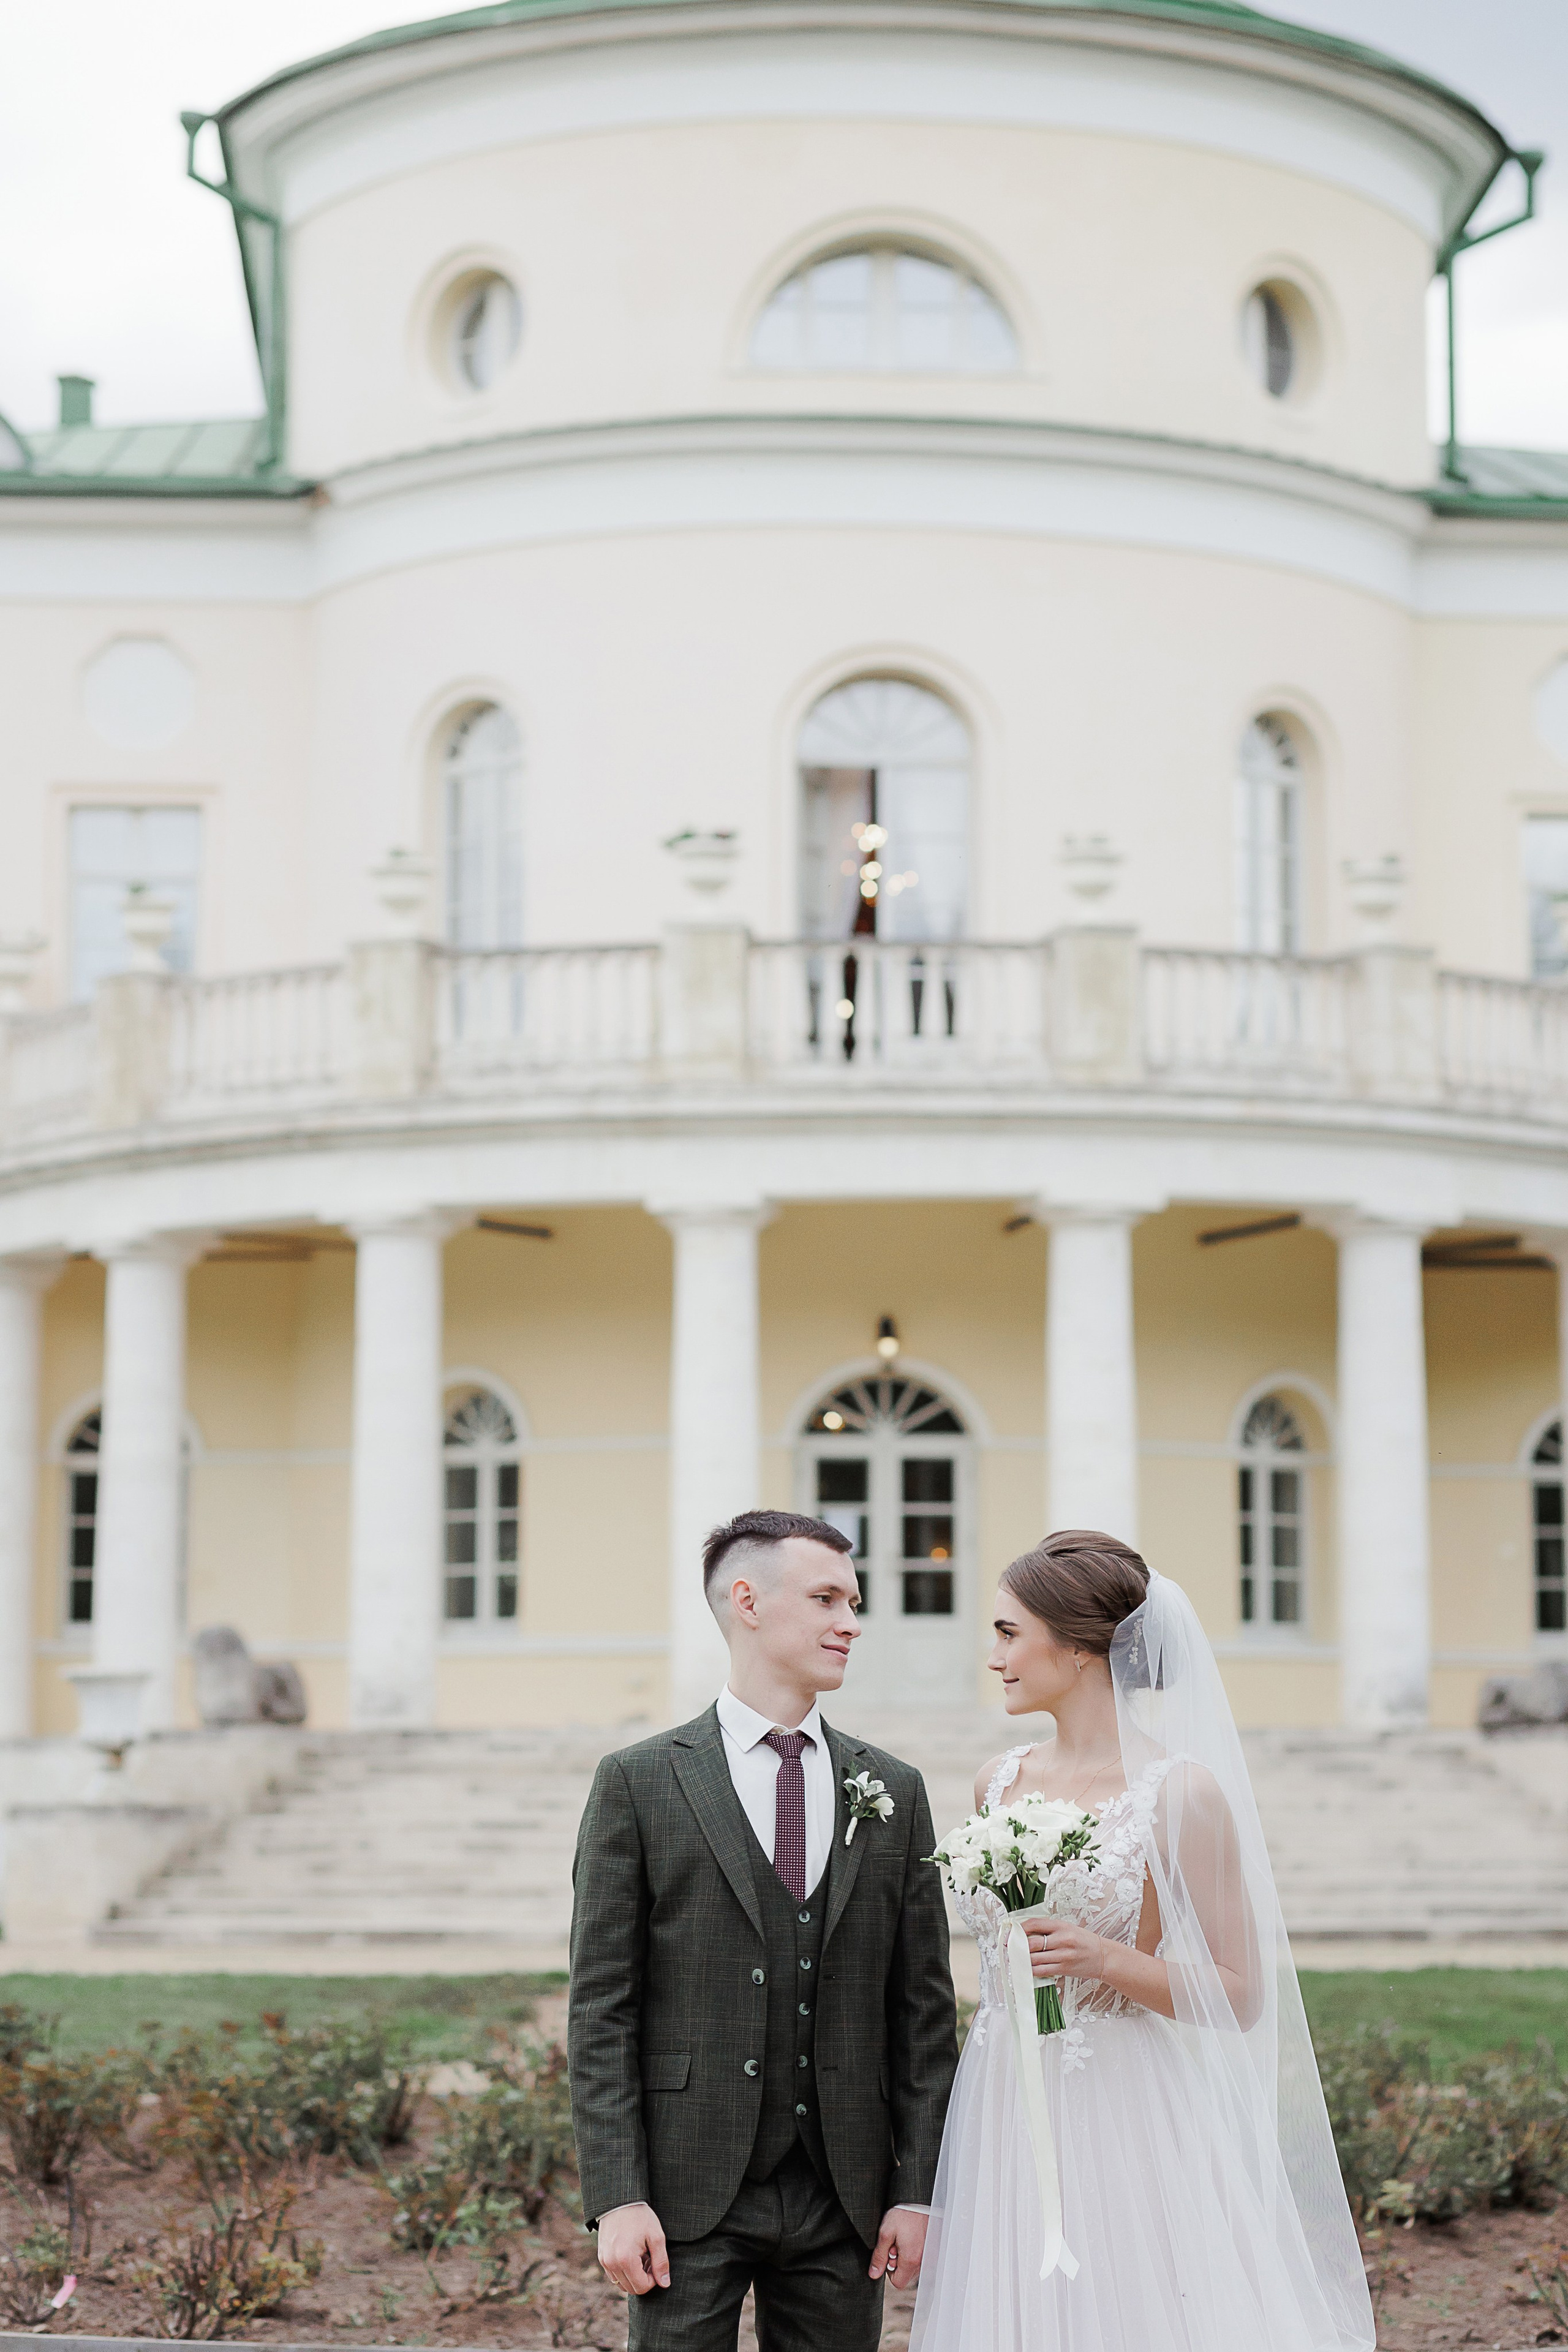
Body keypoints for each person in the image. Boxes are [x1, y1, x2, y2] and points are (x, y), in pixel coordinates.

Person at [911, 1529, 1376, 2352]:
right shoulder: (998, 1780)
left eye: (1009, 1633)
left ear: (1085, 1647)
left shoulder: (1182, 1794)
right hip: (1002, 2094)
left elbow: (1239, 1993)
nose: (994, 1657)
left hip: (1120, 2101)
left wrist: (1109, 1961)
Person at [568, 1507, 959, 2351]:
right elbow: (602, 2009)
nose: (851, 1624)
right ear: (747, 1601)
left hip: (844, 2193)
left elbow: (923, 2013)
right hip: (684, 2190)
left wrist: (917, 2189)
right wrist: (617, 2194)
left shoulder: (894, 1788)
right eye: (827, 1599)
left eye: (854, 1603)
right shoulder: (637, 1782)